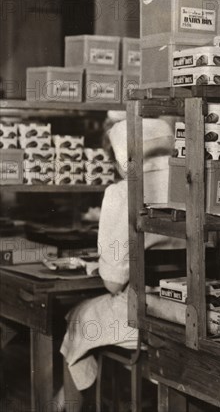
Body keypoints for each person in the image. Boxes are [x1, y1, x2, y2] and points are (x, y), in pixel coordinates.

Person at [58, 118, 187, 410]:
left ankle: (66, 404)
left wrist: (104, 266)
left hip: (146, 319)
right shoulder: (195, 186)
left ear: (121, 159)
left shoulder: (122, 194)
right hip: (196, 311)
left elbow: (113, 282)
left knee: (76, 316)